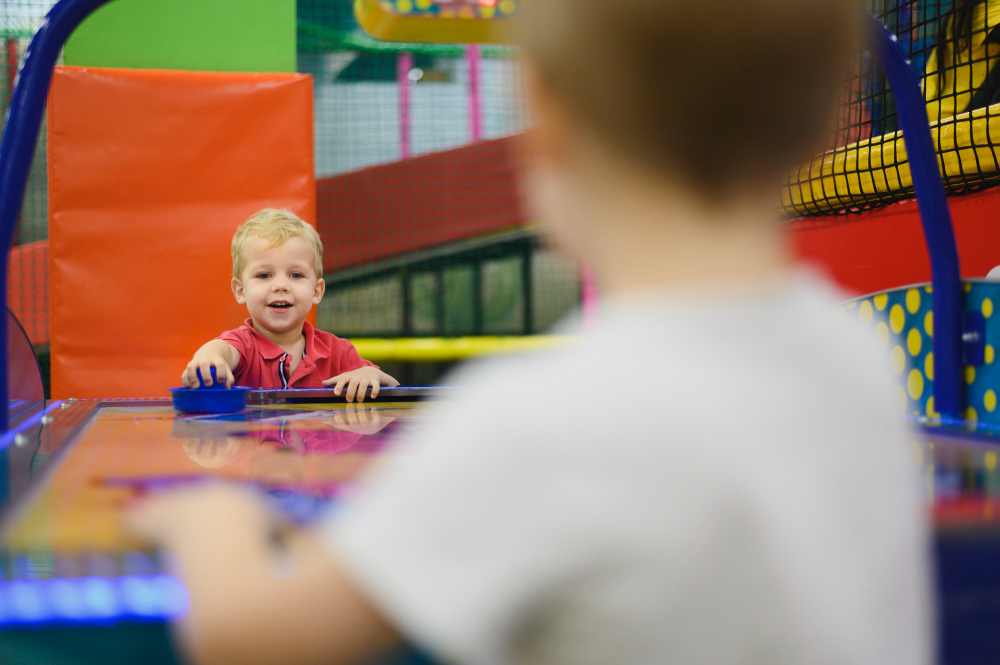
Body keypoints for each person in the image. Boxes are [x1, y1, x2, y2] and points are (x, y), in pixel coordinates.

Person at [129, 1, 932, 664]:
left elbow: (253, 639)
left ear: (546, 117)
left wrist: (212, 519)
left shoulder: (532, 419)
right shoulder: (863, 357)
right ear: (829, 116)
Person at [180, 209, 398, 402]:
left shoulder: (337, 351)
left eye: (296, 274)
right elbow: (221, 350)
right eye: (264, 275)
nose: (281, 285)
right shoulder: (243, 346)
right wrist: (208, 359)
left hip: (321, 449)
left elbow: (393, 388)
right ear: (240, 290)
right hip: (254, 446)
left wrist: (371, 375)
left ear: (316, 291)